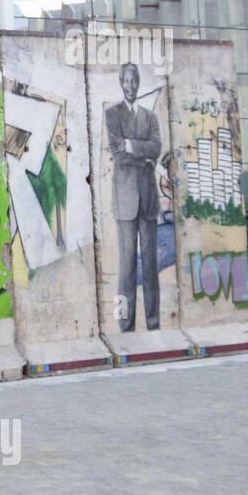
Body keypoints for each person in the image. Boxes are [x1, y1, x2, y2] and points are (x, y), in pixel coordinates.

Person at [105, 62, 162, 332]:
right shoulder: (112, 114)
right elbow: (116, 150)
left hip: (148, 200)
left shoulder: (150, 117)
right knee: (126, 268)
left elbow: (157, 147)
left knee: (150, 268)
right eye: (125, 81)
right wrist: (142, 153)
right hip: (125, 201)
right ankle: (124, 326)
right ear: (121, 83)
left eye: (133, 81)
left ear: (139, 84)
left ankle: (153, 323)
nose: (129, 85)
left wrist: (131, 145)